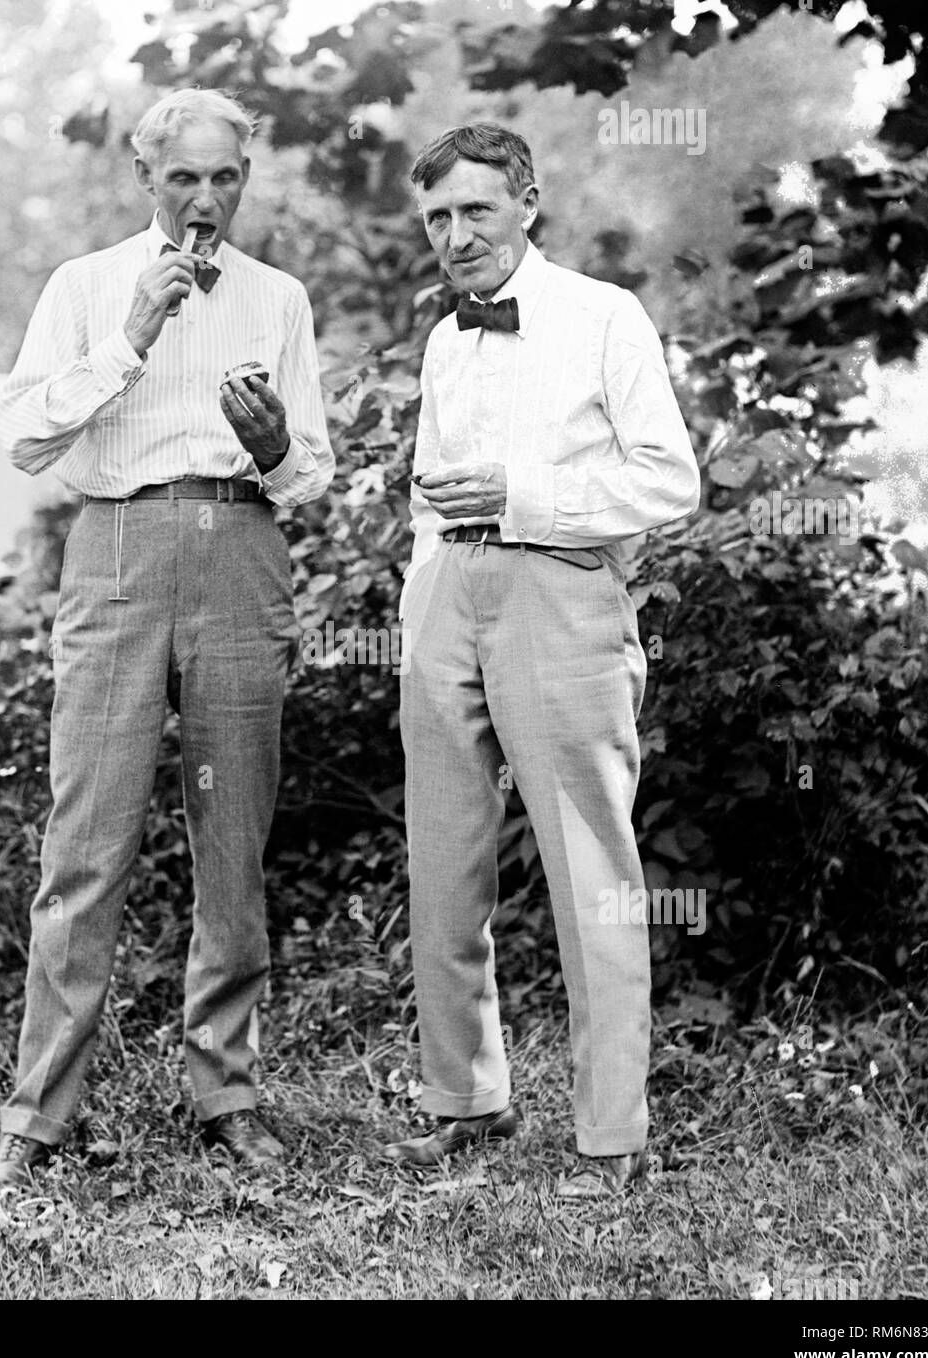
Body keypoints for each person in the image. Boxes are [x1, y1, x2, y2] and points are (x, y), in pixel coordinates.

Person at [0, 88, 334, 1193]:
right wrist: (127, 337)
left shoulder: (277, 297)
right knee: (85, 837)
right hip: (118, 550)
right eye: (184, 177)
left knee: (235, 839)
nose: (207, 198)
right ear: (144, 179)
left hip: (237, 545)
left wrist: (275, 449)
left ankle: (224, 1090)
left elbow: (310, 472)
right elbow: (24, 437)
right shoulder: (83, 286)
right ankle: (40, 1111)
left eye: (226, 176)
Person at [383, 123, 699, 1197]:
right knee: (442, 862)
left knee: (590, 872)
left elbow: (669, 484)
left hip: (560, 594)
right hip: (444, 601)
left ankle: (610, 1136)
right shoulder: (443, 339)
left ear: (526, 200)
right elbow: (432, 489)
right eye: (436, 217)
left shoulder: (604, 317)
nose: (455, 234)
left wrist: (531, 500)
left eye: (475, 209)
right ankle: (463, 1100)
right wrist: (420, 595)